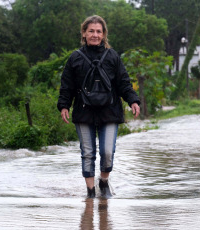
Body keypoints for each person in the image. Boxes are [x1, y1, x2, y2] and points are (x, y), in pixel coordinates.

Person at [57, 15, 140, 198]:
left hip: (109, 110)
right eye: (91, 31)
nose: (95, 35)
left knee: (107, 151)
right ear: (84, 34)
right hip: (83, 111)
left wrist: (133, 100)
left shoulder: (112, 56)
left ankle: (103, 182)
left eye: (98, 31)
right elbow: (67, 85)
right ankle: (90, 192)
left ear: (103, 35)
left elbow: (123, 82)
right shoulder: (75, 58)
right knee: (87, 153)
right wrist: (64, 105)